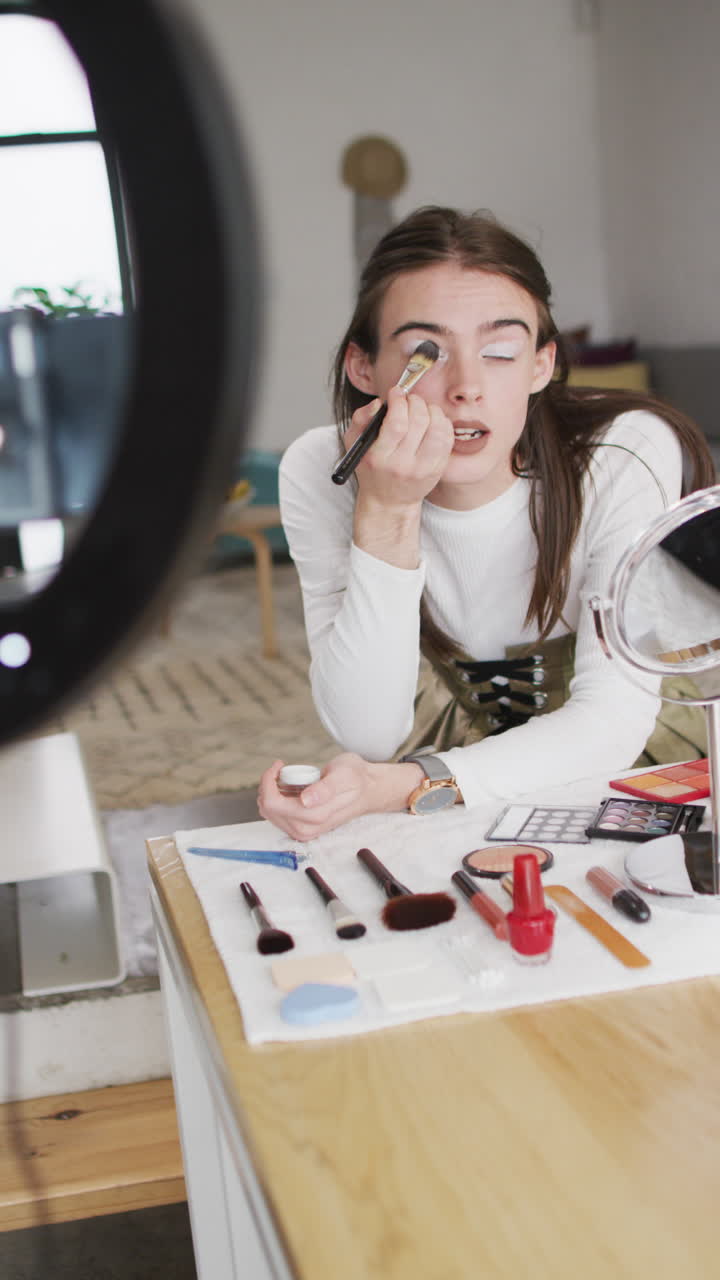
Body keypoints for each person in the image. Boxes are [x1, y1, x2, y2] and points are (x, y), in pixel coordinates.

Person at [258, 205, 715, 840]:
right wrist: (387, 511)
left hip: (648, 769)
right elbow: (366, 731)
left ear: (541, 364)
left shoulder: (625, 450)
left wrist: (404, 785)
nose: (466, 386)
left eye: (500, 350)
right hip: (471, 783)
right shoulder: (320, 467)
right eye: (427, 352)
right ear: (363, 368)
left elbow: (610, 722)